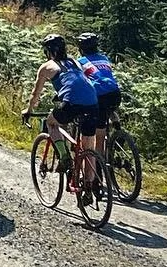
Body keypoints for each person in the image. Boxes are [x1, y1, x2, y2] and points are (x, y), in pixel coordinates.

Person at [22, 33, 100, 193]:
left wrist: (28, 110)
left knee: (51, 122)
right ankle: (89, 185)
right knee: (88, 144)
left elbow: (35, 95)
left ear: (48, 51)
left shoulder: (46, 67)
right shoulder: (76, 62)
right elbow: (77, 81)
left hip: (71, 102)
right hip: (93, 102)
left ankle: (64, 157)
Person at [76, 32, 122, 153]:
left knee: (98, 130)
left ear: (81, 48)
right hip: (115, 93)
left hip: (99, 96)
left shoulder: (80, 62)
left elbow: (78, 82)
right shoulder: (104, 58)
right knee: (109, 109)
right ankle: (118, 129)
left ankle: (98, 162)